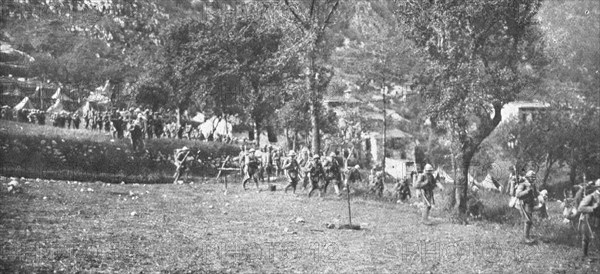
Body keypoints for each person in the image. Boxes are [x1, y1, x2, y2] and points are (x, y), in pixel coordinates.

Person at [515, 170, 539, 243]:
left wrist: (539, 195)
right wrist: (527, 191)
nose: (533, 179)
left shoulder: (532, 184)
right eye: (531, 177)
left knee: (529, 221)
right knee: (527, 220)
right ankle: (526, 238)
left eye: (534, 177)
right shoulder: (523, 184)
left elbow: (535, 193)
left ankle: (527, 237)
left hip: (529, 204)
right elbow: (518, 194)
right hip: (522, 203)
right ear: (528, 177)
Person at [578, 185, 600, 256]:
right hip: (586, 219)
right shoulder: (590, 197)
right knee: (586, 238)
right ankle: (584, 255)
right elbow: (580, 208)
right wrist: (593, 208)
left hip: (596, 219)